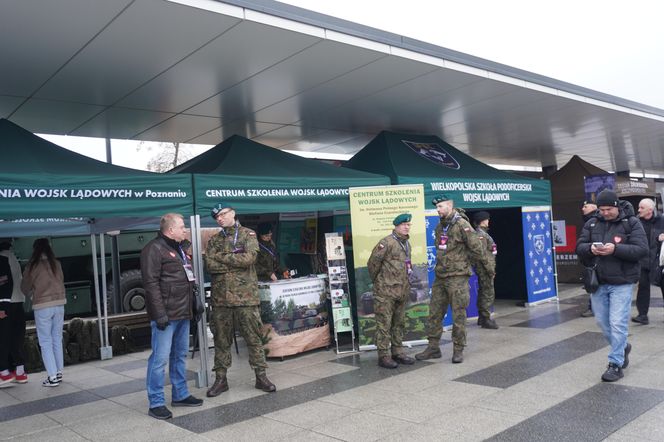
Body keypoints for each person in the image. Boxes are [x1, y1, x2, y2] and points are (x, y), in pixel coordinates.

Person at [576, 189, 647, 382]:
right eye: (601, 209)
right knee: (602, 322)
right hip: (598, 282)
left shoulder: (631, 223)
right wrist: (590, 249)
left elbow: (641, 249)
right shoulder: (592, 223)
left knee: (617, 323)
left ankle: (615, 364)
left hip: (622, 282)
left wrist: (615, 249)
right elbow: (579, 247)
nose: (605, 213)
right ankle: (623, 347)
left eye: (608, 209)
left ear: (616, 206)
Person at [205, 203, 276, 397]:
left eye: (222, 214)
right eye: (216, 217)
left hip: (246, 298)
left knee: (254, 338)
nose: (219, 218)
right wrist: (232, 260)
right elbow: (209, 265)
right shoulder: (214, 240)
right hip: (222, 300)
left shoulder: (248, 234)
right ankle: (221, 379)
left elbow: (249, 259)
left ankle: (261, 376)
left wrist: (222, 258)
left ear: (233, 213)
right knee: (221, 340)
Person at [416, 195, 493, 363]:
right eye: (436, 207)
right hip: (441, 276)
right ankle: (433, 347)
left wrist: (463, 264)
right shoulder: (440, 227)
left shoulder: (462, 225)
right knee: (435, 313)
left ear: (450, 206)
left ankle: (458, 349)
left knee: (458, 314)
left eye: (441, 206)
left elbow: (478, 250)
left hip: (457, 278)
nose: (438, 209)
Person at [141, 213, 203, 420]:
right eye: (182, 227)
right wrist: (159, 314)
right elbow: (151, 284)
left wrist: (194, 308)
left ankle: (180, 394)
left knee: (179, 355)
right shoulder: (154, 249)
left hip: (183, 313)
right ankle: (156, 402)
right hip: (166, 315)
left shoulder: (178, 248)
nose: (185, 230)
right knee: (159, 359)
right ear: (170, 230)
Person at [367, 213, 417, 368]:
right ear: (396, 226)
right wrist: (379, 282)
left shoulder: (407, 243)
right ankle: (383, 356)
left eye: (409, 225)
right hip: (386, 292)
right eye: (404, 225)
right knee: (384, 324)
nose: (406, 227)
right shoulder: (386, 242)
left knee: (398, 323)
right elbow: (372, 264)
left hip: (401, 291)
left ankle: (398, 352)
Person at [21, 238, 66, 387]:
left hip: (43, 305)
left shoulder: (32, 266)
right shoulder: (56, 264)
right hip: (59, 304)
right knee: (57, 338)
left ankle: (52, 377)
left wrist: (33, 294)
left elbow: (24, 287)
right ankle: (59, 372)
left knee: (45, 341)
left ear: (35, 250)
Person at [632, 198, 664, 325]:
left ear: (650, 210)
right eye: (639, 207)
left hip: (659, 261)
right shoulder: (636, 222)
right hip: (643, 260)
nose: (638, 210)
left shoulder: (662, 220)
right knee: (643, 287)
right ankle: (642, 315)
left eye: (642, 208)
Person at [0, 239, 27, 385]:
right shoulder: (13, 258)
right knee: (17, 336)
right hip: (18, 300)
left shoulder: (2, 258)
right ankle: (20, 371)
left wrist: (2, 307)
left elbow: (3, 282)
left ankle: (3, 371)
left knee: (3, 337)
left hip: (6, 303)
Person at [472, 211, 499, 329]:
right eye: (487, 219)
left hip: (485, 267)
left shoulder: (483, 234)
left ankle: (482, 317)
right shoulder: (480, 235)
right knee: (488, 293)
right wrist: (490, 270)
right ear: (482, 221)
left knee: (484, 292)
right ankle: (486, 319)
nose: (488, 221)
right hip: (484, 268)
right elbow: (482, 255)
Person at [580, 200, 598, 317]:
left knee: (594, 283)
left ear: (593, 207)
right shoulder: (588, 220)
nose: (583, 208)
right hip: (589, 256)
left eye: (585, 206)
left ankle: (593, 308)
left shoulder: (595, 220)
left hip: (595, 258)